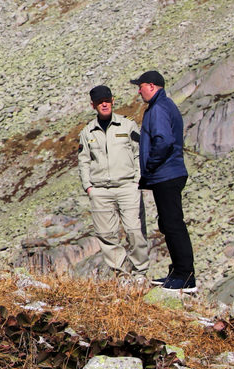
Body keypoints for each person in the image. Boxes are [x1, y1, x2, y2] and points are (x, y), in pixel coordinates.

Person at [77, 84, 147, 281]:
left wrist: (137, 180)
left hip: (127, 187)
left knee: (134, 230)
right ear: (93, 105)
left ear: (113, 101)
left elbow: (138, 152)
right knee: (107, 235)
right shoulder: (87, 132)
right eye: (100, 102)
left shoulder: (128, 125)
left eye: (107, 101)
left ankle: (140, 272)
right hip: (100, 190)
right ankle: (121, 274)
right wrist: (88, 187)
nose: (104, 105)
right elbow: (83, 160)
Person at [133, 69, 194, 292]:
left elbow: (164, 141)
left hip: (166, 174)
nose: (138, 91)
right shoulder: (165, 105)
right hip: (170, 173)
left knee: (173, 224)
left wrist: (150, 165)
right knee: (170, 223)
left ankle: (185, 276)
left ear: (151, 86)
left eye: (140, 86)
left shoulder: (158, 108)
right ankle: (179, 272)